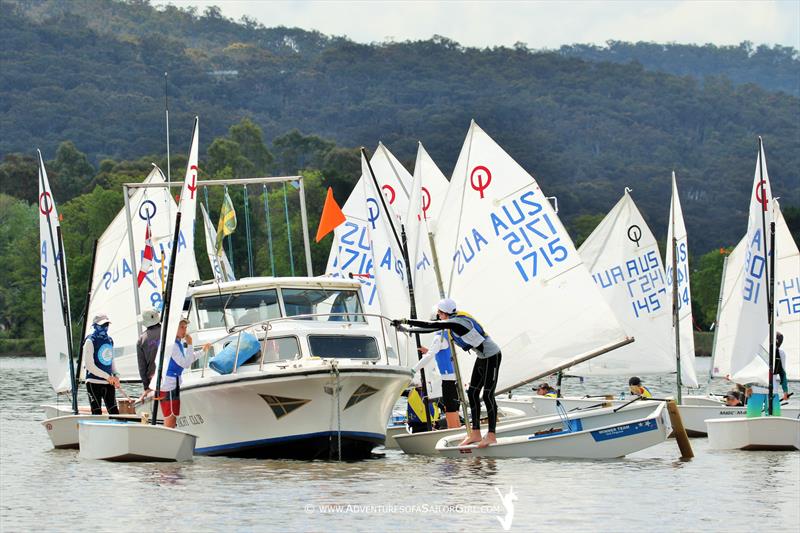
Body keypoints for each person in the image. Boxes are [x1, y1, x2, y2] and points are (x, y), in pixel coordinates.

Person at [393, 298, 502, 448]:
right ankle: (475, 434)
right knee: (472, 393)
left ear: (443, 313)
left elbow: (431, 324)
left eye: (439, 312)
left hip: (492, 356)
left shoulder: (457, 322)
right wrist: (407, 330)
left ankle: (491, 435)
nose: (438, 315)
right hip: (482, 357)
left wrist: (404, 320)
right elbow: (431, 328)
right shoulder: (451, 321)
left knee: (488, 395)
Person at [156, 318, 210, 428]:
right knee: (170, 418)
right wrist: (190, 344)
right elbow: (185, 363)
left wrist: (203, 351)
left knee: (172, 417)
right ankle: (168, 442)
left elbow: (187, 358)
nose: (184, 330)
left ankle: (170, 441)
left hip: (172, 384)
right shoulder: (172, 345)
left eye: (185, 327)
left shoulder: (176, 343)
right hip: (169, 385)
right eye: (181, 327)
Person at [747, 331, 790, 417]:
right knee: (752, 418)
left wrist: (785, 391)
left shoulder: (781, 354)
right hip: (755, 390)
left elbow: (782, 373)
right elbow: (749, 370)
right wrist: (747, 386)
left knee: (775, 417)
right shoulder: (757, 350)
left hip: (773, 391)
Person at [83, 314, 120, 415]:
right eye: (102, 325)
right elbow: (89, 365)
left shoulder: (110, 340)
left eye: (107, 324)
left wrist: (116, 376)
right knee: (96, 412)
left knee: (114, 412)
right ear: (95, 326)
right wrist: (107, 377)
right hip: (93, 382)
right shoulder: (90, 341)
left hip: (108, 383)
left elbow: (111, 360)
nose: (105, 327)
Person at [136, 307, 161, 402]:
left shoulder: (142, 339)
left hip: (153, 380)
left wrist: (146, 387)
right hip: (170, 376)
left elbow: (142, 367)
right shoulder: (168, 331)